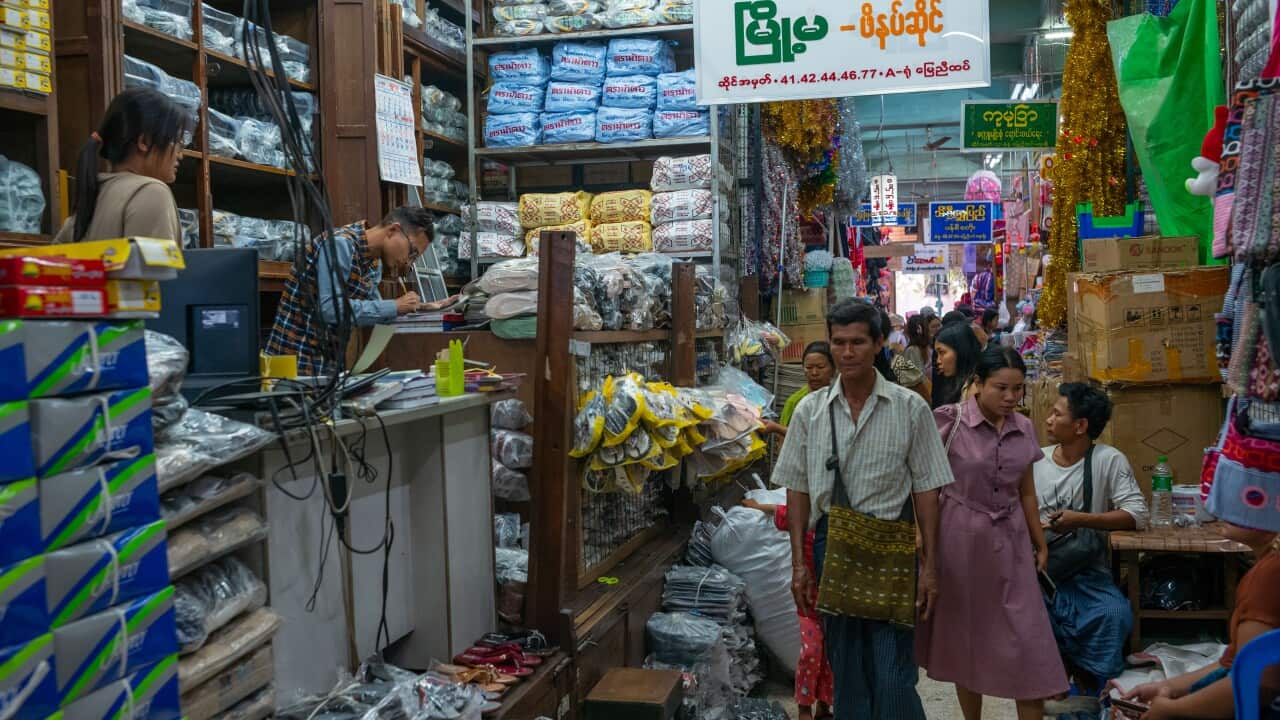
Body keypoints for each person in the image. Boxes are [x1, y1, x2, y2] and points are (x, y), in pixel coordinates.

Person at [773, 299, 953, 720]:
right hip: (831, 548)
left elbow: (928, 492)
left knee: (893, 674)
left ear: (879, 343)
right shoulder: (809, 412)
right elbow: (797, 490)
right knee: (848, 673)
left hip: (892, 548)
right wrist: (798, 564)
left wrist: (931, 568)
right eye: (839, 342)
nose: (847, 352)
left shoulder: (909, 408)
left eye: (857, 342)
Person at [917, 346, 1068, 720]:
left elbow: (1026, 490)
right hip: (959, 540)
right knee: (966, 640)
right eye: (1001, 388)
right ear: (978, 384)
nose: (1010, 397)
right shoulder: (948, 422)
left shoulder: (1024, 427)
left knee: (1028, 641)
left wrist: (1038, 541)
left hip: (1011, 541)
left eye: (1017, 389)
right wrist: (925, 542)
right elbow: (925, 487)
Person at [1035, 383, 1148, 692]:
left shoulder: (1108, 460)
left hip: (1088, 574)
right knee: (1032, 617)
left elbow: (1137, 515)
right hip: (1040, 572)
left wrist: (1081, 520)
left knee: (1114, 614)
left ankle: (1089, 685)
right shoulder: (1035, 460)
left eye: (1057, 414)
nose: (1048, 420)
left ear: (1080, 426)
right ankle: (1056, 685)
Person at [264, 207, 456, 375]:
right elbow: (330, 309)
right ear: (393, 230)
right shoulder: (339, 244)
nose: (407, 261)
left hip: (327, 365)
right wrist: (396, 306)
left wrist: (422, 308)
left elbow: (376, 312)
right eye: (411, 251)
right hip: (293, 362)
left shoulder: (373, 263)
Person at [1120, 524, 1279, 719]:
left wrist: (1172, 710)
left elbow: (1257, 683)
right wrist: (1168, 687)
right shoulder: (1267, 566)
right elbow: (1233, 662)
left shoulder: (1269, 575)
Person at [55, 87, 194, 244]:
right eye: (176, 141)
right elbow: (153, 261)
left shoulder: (93, 195)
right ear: (145, 142)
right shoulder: (151, 192)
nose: (180, 154)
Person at [741, 496, 834, 719]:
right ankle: (804, 706)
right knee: (810, 654)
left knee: (830, 659)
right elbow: (780, 510)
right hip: (808, 605)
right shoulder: (803, 518)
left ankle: (824, 704)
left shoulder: (836, 521)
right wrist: (757, 506)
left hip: (833, 606)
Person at [760, 341, 835, 438]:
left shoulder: (840, 399)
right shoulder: (795, 402)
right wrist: (778, 429)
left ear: (834, 368)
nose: (814, 373)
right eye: (809, 367)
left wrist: (778, 428)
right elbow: (785, 441)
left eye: (820, 367)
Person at [931, 322, 982, 408]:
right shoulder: (958, 383)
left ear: (961, 351)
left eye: (942, 352)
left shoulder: (974, 389)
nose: (938, 361)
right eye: (937, 354)